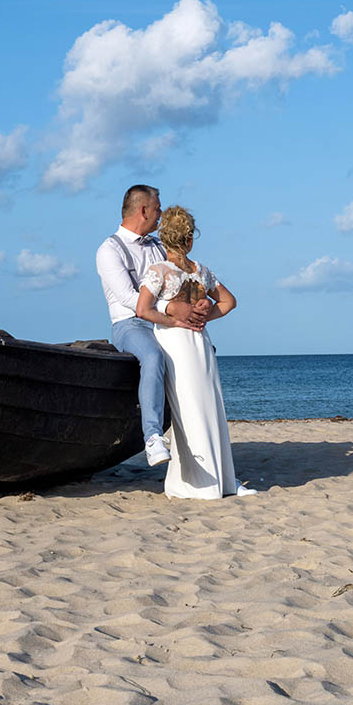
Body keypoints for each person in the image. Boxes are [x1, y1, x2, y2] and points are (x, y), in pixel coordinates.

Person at [134, 206, 255, 498]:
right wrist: (202, 317)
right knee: (199, 407)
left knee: (201, 407)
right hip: (191, 344)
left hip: (181, 342)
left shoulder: (164, 272)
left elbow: (142, 310)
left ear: (164, 239)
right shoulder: (197, 271)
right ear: (189, 239)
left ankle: (218, 481)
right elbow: (228, 302)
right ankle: (209, 482)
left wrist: (178, 319)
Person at [96, 185, 209, 466]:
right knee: (152, 356)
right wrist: (169, 308)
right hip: (130, 324)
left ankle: (204, 440)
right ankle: (153, 438)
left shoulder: (160, 247)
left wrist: (197, 304)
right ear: (143, 210)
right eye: (157, 208)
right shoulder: (109, 249)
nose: (161, 215)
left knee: (201, 350)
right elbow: (127, 298)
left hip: (165, 321)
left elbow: (179, 283)